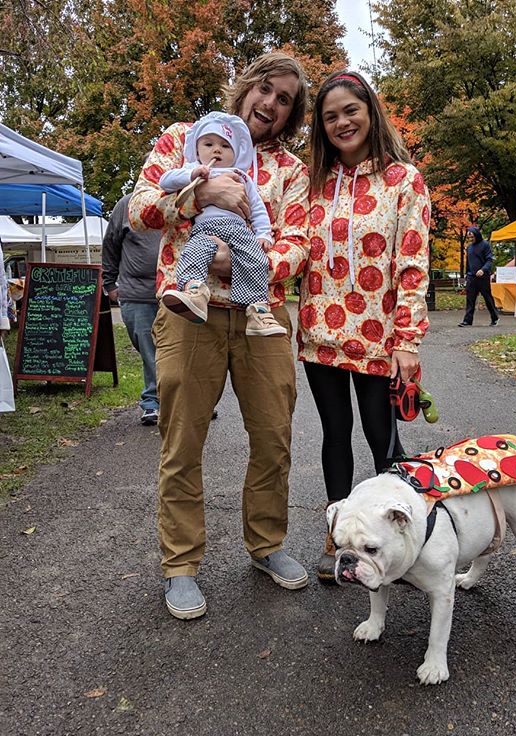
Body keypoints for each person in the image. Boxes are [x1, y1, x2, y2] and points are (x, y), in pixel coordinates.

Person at [129, 52, 310, 619]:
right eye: (266, 89)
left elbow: (298, 242)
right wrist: (199, 197)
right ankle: (181, 566)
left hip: (262, 315)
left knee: (274, 436)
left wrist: (245, 263)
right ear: (247, 87)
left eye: (285, 100)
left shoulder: (289, 171)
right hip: (189, 314)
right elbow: (138, 209)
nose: (271, 104)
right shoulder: (184, 138)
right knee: (182, 440)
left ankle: (266, 544)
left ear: (291, 114)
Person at [297, 70, 431, 581]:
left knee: (383, 437)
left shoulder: (404, 181)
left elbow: (413, 266)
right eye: (330, 116)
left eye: (350, 110)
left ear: (370, 111)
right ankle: (340, 546)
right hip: (320, 337)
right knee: (335, 434)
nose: (341, 122)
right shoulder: (312, 183)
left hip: (379, 341)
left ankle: (399, 541)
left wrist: (408, 341)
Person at [158, 111, 285, 337]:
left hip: (239, 230)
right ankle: (194, 291)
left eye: (226, 146)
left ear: (236, 154)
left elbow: (257, 209)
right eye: (209, 144)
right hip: (205, 229)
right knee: (195, 251)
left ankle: (258, 311)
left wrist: (264, 234)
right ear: (196, 150)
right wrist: (192, 175)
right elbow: (165, 181)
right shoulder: (192, 170)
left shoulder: (241, 176)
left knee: (255, 259)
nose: (217, 150)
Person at [102, 192, 162, 425]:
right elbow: (110, 245)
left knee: (183, 351)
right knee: (149, 350)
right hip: (137, 293)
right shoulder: (126, 204)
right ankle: (152, 402)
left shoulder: (184, 200)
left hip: (176, 292)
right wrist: (110, 284)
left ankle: (187, 402)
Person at [458, 226, 500, 327]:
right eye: (469, 237)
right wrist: (467, 275)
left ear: (477, 235)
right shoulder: (469, 248)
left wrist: (483, 269)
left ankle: (495, 318)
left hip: (483, 278)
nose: (470, 239)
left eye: (472, 236)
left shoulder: (485, 245)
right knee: (470, 299)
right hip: (471, 277)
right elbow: (468, 263)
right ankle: (467, 321)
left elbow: (489, 260)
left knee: (487, 298)